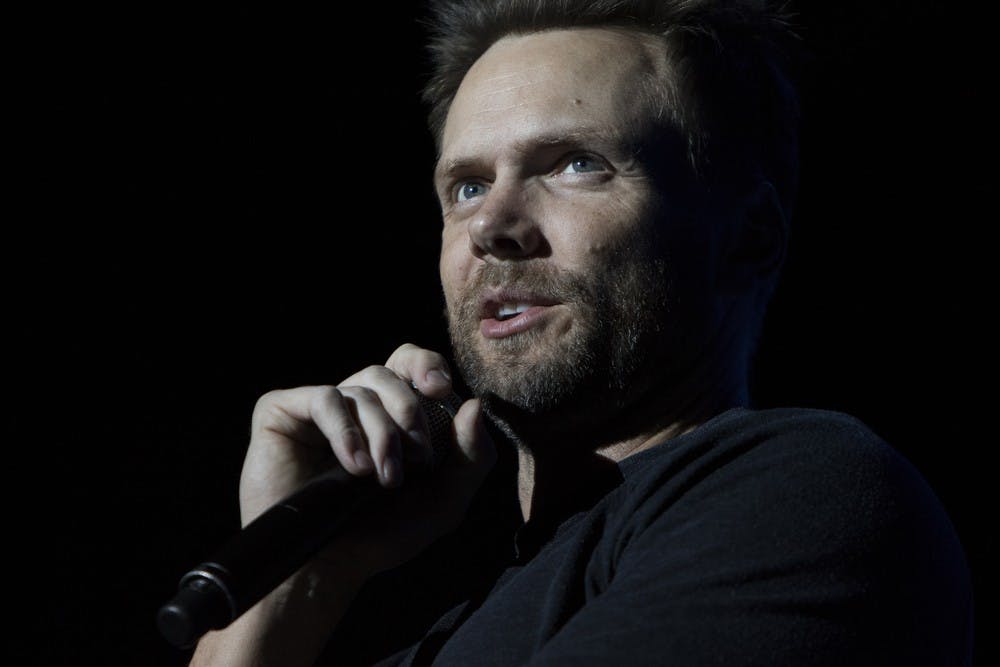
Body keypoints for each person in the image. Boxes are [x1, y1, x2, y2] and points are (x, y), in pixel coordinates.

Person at [189, 1, 974, 664]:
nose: (491, 226)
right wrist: (299, 572)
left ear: (749, 236)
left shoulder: (807, 492)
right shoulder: (457, 626)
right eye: (466, 185)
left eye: (574, 164)